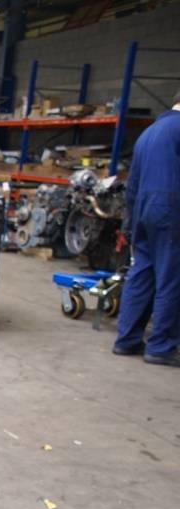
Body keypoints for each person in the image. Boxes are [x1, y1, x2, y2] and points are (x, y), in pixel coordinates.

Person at [112, 88, 180, 366]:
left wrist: (130, 223)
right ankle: (160, 347)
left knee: (142, 271)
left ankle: (126, 339)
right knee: (172, 276)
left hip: (143, 209)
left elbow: (133, 184)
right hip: (171, 209)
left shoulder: (148, 133)